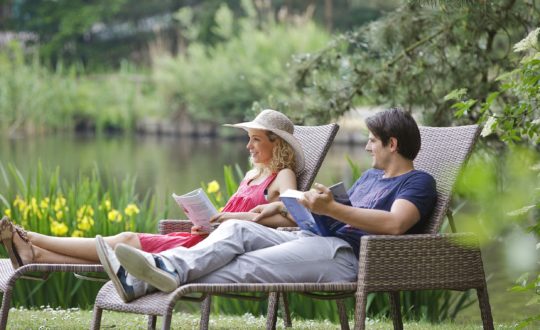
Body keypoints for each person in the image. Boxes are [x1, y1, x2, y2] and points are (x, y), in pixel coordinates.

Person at [97, 107, 437, 299]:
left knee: (248, 264)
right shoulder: (369, 178)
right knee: (236, 229)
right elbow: (333, 212)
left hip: (346, 257)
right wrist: (280, 206)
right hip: (315, 238)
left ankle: (142, 279)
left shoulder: (419, 182)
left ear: (392, 144)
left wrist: (331, 208)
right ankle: (163, 268)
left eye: (373, 141)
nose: (367, 147)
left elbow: (395, 224)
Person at [0, 109, 303, 271]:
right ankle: (35, 255)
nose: (248, 146)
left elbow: (293, 218)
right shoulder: (253, 174)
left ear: (277, 143)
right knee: (123, 248)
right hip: (205, 238)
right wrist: (208, 218)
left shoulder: (282, 175)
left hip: (215, 250)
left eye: (256, 140)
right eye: (248, 138)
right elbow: (232, 216)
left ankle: (32, 238)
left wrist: (238, 219)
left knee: (126, 240)